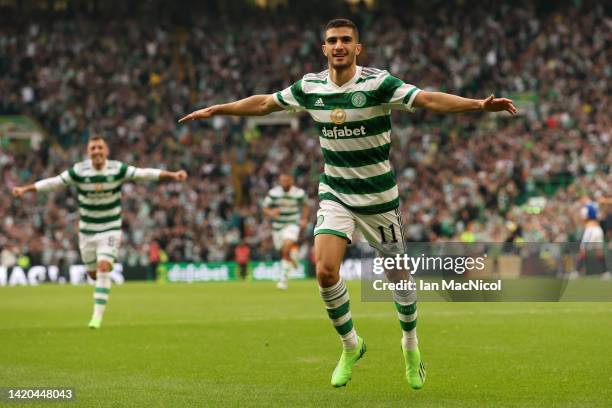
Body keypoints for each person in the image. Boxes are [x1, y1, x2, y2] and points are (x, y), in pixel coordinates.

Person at [179, 18, 516, 389]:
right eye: (331, 40)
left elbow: (427, 99)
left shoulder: (378, 83)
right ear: (323, 48)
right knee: (324, 271)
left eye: (345, 40)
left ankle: (410, 345)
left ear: (358, 48)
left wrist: (479, 105)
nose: (338, 46)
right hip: (336, 192)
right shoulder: (310, 86)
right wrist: (218, 109)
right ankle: (350, 345)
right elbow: (264, 103)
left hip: (379, 198)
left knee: (398, 276)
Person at [11, 136, 188, 329]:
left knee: (103, 267)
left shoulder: (117, 169)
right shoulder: (79, 171)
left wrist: (172, 175)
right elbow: (53, 183)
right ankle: (102, 277)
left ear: (106, 151)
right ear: (88, 153)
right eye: (93, 148)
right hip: (87, 231)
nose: (96, 151)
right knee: (93, 274)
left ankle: (96, 318)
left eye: (99, 148)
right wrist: (25, 189)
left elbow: (144, 173)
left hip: (110, 227)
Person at [262, 172, 309, 290]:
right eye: (282, 180)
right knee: (282, 251)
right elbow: (265, 207)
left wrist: (304, 219)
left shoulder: (299, 193)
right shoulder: (274, 193)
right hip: (277, 227)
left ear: (291, 181)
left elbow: (305, 205)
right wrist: (271, 213)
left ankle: (283, 280)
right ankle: (293, 256)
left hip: (292, 224)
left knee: (286, 247)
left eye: (286, 180)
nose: (284, 183)